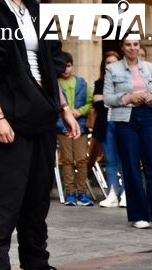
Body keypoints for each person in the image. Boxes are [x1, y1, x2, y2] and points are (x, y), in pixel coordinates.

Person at [0, 0, 80, 270]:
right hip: (7, 116)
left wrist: (63, 108)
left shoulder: (36, 11)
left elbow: (51, 62)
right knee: (2, 197)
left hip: (41, 113)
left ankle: (35, 266)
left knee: (36, 195)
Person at [104, 36, 152, 230]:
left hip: (148, 115)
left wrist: (150, 95)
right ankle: (138, 216)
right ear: (122, 47)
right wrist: (127, 97)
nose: (132, 48)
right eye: (128, 44)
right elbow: (107, 98)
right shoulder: (113, 68)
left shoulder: (150, 67)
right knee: (131, 166)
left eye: (135, 44)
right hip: (124, 120)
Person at [56, 52, 93, 207]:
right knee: (67, 160)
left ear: (72, 65)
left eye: (68, 65)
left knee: (81, 159)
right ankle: (70, 192)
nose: (66, 69)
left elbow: (90, 102)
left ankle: (82, 193)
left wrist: (80, 111)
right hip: (62, 127)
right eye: (62, 66)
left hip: (81, 127)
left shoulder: (82, 83)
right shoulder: (55, 83)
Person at [93, 51, 125, 209]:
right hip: (105, 126)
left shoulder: (125, 81)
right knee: (110, 161)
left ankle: (126, 193)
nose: (111, 65)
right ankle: (113, 193)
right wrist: (115, 100)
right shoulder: (99, 83)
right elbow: (97, 104)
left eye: (114, 62)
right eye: (108, 63)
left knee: (124, 161)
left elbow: (126, 101)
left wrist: (105, 99)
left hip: (122, 124)